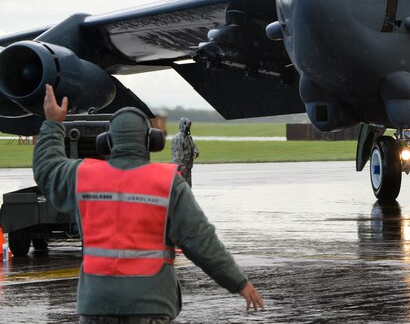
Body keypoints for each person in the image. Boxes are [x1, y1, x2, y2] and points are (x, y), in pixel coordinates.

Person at [33, 85, 263, 323]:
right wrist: (239, 283)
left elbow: (46, 168)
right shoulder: (168, 184)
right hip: (150, 305)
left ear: (108, 142)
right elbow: (201, 241)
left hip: (97, 305)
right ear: (151, 141)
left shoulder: (83, 177)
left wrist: (53, 123)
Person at [172, 117, 199, 187]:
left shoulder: (189, 137)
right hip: (182, 167)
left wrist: (195, 153)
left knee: (188, 186)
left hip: (188, 167)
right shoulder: (178, 138)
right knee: (180, 186)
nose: (189, 127)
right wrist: (180, 166)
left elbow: (194, 147)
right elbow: (177, 154)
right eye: (188, 125)